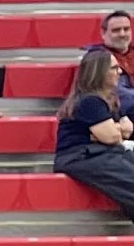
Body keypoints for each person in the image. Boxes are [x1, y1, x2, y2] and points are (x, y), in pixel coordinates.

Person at [56, 43, 134, 220]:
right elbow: (112, 137)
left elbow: (126, 130)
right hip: (80, 157)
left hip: (100, 153)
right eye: (114, 68)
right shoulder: (89, 101)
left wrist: (109, 130)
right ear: (99, 73)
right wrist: (113, 130)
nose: (120, 72)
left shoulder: (109, 99)